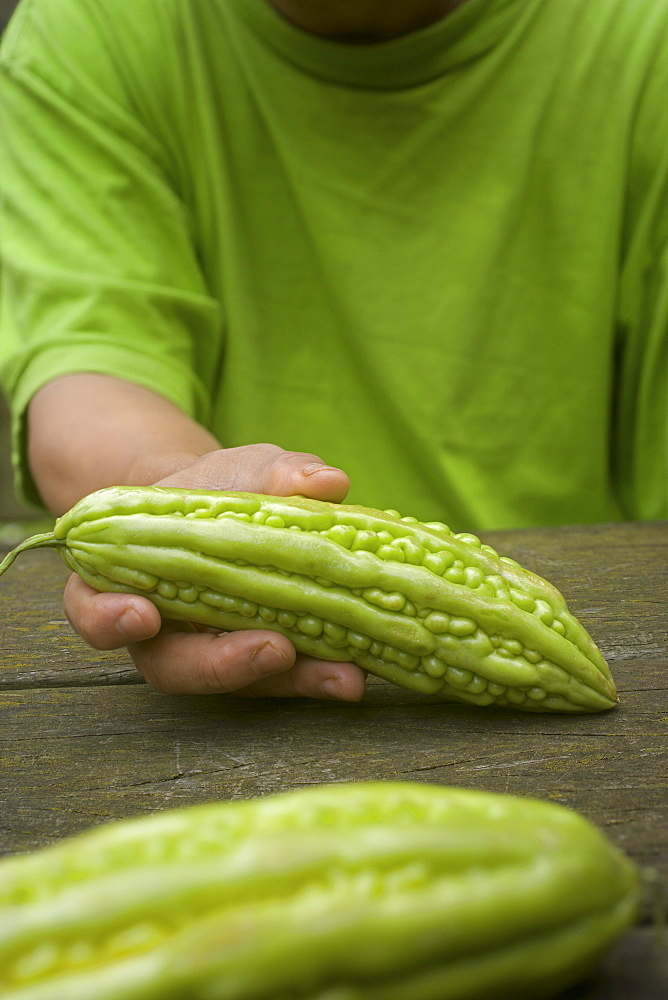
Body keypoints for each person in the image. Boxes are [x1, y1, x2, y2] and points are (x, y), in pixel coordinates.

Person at [0, 0, 666, 700]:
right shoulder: (97, 26)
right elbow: (93, 383)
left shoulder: (645, 36)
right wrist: (183, 514)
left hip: (613, 627)